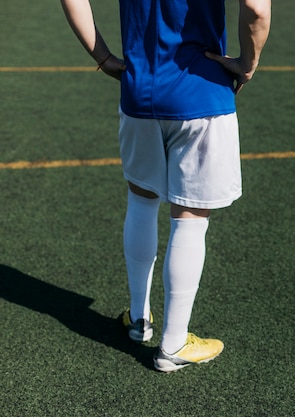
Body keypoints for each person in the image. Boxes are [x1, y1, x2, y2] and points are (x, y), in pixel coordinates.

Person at [60, 0, 271, 372]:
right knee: (190, 217)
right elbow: (255, 8)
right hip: (201, 93)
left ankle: (139, 319)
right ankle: (173, 344)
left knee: (141, 200)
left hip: (139, 91)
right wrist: (247, 65)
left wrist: (104, 57)